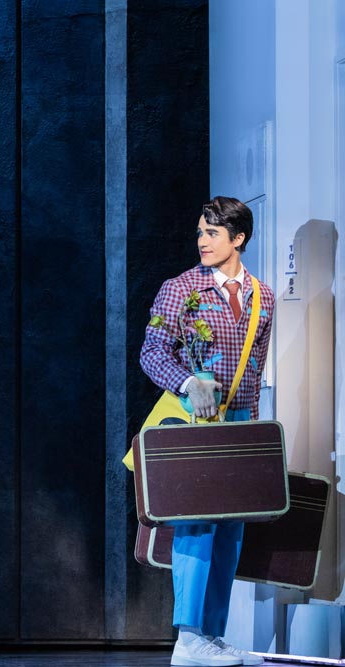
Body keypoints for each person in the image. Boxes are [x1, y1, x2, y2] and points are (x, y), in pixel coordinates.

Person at [140, 196, 274, 667]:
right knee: (195, 527)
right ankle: (188, 636)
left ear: (238, 238)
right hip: (197, 424)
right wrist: (188, 380)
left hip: (240, 426)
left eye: (212, 233)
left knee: (232, 530)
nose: (202, 241)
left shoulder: (264, 295)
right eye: (200, 231)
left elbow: (254, 369)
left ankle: (213, 636)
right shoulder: (179, 289)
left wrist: (255, 438)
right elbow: (152, 352)